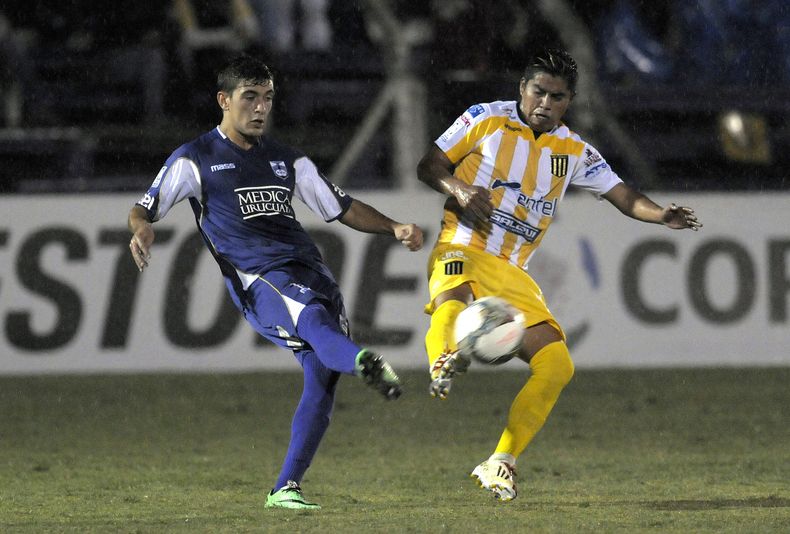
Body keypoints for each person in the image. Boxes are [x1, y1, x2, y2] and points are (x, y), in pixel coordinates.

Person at [127, 55, 424, 510]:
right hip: (259, 278)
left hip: (309, 268)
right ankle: (364, 360)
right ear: (224, 101)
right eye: (250, 97)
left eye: (267, 97)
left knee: (321, 379)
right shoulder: (196, 158)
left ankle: (285, 488)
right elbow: (144, 208)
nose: (261, 108)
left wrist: (395, 227)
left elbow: (340, 206)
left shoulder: (287, 159)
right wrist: (143, 228)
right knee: (315, 326)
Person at [417, 48, 702, 502]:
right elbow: (429, 165)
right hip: (463, 244)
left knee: (557, 364)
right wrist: (459, 187)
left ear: (569, 101)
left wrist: (659, 214)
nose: (545, 103)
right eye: (538, 92)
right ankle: (443, 362)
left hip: (512, 270)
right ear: (522, 90)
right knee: (453, 296)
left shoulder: (574, 151)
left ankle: (500, 462)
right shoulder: (483, 118)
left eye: (557, 97)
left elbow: (622, 195)